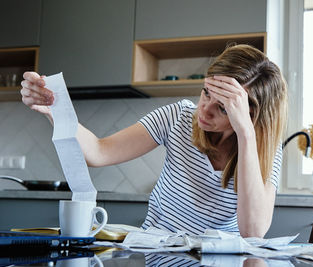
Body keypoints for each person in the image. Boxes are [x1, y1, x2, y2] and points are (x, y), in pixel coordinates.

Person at [20, 44, 288, 238]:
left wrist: (245, 134)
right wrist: (55, 109)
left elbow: (253, 231)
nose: (204, 110)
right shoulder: (178, 116)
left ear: (250, 116)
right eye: (206, 93)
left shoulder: (261, 146)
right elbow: (99, 152)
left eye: (223, 108)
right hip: (159, 254)